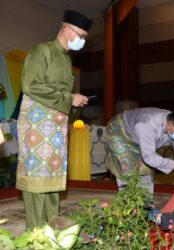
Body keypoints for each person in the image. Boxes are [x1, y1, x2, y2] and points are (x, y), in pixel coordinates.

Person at [16, 10, 93, 230]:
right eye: (80, 34)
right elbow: (30, 85)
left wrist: (74, 103)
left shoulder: (66, 59)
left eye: (84, 36)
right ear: (66, 29)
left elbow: (62, 95)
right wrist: (70, 98)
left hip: (57, 123)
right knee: (36, 175)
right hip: (37, 121)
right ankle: (36, 231)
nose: (82, 40)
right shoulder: (43, 50)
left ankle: (51, 226)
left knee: (52, 175)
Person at [106, 105, 174, 193]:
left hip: (139, 137)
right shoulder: (148, 124)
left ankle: (146, 206)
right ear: (170, 123)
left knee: (145, 171)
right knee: (127, 171)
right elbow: (149, 157)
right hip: (120, 133)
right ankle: (128, 207)